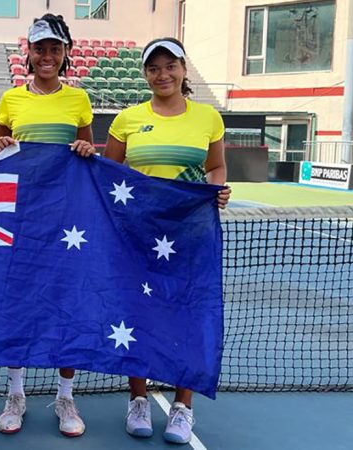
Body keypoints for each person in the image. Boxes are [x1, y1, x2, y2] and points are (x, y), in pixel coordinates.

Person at [103, 37, 231, 445]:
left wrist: (218, 190)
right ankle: (137, 401)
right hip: (138, 236)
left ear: (183, 69)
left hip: (190, 236)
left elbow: (216, 167)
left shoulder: (208, 117)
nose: (163, 74)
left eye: (170, 66)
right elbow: (108, 174)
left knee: (188, 315)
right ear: (145, 74)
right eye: (154, 68)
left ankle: (182, 407)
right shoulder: (126, 119)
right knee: (138, 312)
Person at [0, 13, 96, 438]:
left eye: (55, 48)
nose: (47, 55)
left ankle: (65, 395)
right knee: (18, 304)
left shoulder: (78, 100)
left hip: (68, 224)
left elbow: (88, 152)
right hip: (20, 221)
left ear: (65, 53)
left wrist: (87, 148)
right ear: (29, 54)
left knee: (66, 305)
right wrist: (0, 146)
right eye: (40, 48)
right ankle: (15, 393)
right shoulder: (11, 100)